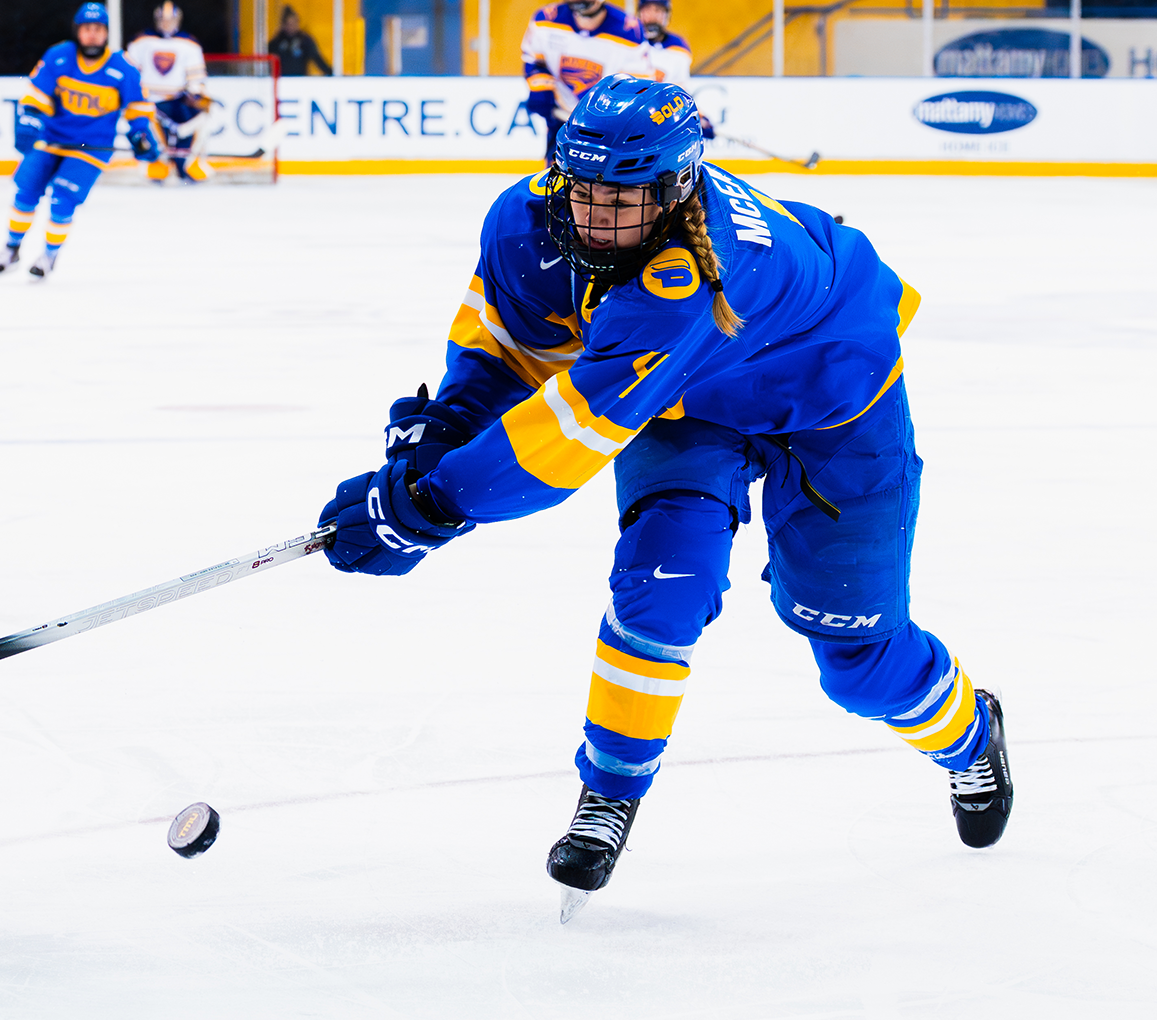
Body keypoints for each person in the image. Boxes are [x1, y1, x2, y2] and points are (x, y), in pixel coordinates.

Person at [314, 77, 1013, 922]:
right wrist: (446, 430)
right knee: (663, 587)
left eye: (623, 199)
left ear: (678, 188)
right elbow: (505, 347)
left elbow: (570, 433)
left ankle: (971, 733)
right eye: (584, 190)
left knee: (859, 661)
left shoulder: (693, 278)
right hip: (688, 406)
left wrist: (430, 506)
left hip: (834, 397)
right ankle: (609, 794)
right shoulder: (525, 220)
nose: (595, 217)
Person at [0, 2, 163, 279]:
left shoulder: (123, 67)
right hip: (51, 139)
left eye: (98, 29)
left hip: (90, 148)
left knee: (63, 199)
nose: (92, 34)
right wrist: (30, 118)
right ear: (77, 31)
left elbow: (137, 108)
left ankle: (49, 255)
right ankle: (11, 249)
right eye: (87, 28)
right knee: (26, 192)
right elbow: (37, 94)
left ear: (106, 33)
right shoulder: (59, 56)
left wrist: (141, 134)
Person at [521, 1, 648, 162]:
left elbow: (636, 86)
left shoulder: (629, 31)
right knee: (557, 174)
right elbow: (533, 59)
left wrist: (611, 117)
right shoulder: (546, 19)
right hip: (561, 120)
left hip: (605, 127)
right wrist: (541, 88)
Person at [126, 2, 213, 183]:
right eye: (163, 20)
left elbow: (196, 79)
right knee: (146, 123)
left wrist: (195, 93)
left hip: (178, 100)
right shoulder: (141, 41)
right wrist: (136, 94)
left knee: (203, 115)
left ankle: (188, 163)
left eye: (170, 20)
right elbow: (129, 74)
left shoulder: (189, 44)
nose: (166, 24)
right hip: (149, 100)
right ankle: (158, 164)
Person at [636, 0, 714, 139]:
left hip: (659, 122)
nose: (652, 16)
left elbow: (679, 91)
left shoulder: (678, 48)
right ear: (639, 12)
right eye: (647, 10)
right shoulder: (625, 42)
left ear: (667, 15)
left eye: (657, 11)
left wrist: (698, 116)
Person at [269, 6, 332, 77]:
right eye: (288, 24)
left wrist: (330, 72)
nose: (291, 27)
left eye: (294, 23)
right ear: (283, 25)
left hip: (300, 80)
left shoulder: (305, 40)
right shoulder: (276, 42)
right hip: (281, 80)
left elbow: (317, 58)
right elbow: (268, 60)